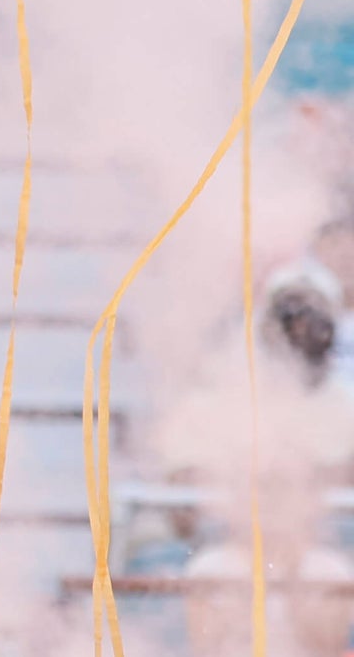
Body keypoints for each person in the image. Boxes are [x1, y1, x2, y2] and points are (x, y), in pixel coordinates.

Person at [152, 262, 354, 656]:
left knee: (325, 577)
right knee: (214, 574)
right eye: (289, 313)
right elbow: (185, 506)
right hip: (229, 545)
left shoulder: (350, 405)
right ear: (264, 324)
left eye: (313, 313)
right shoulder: (216, 402)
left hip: (328, 550)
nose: (300, 327)